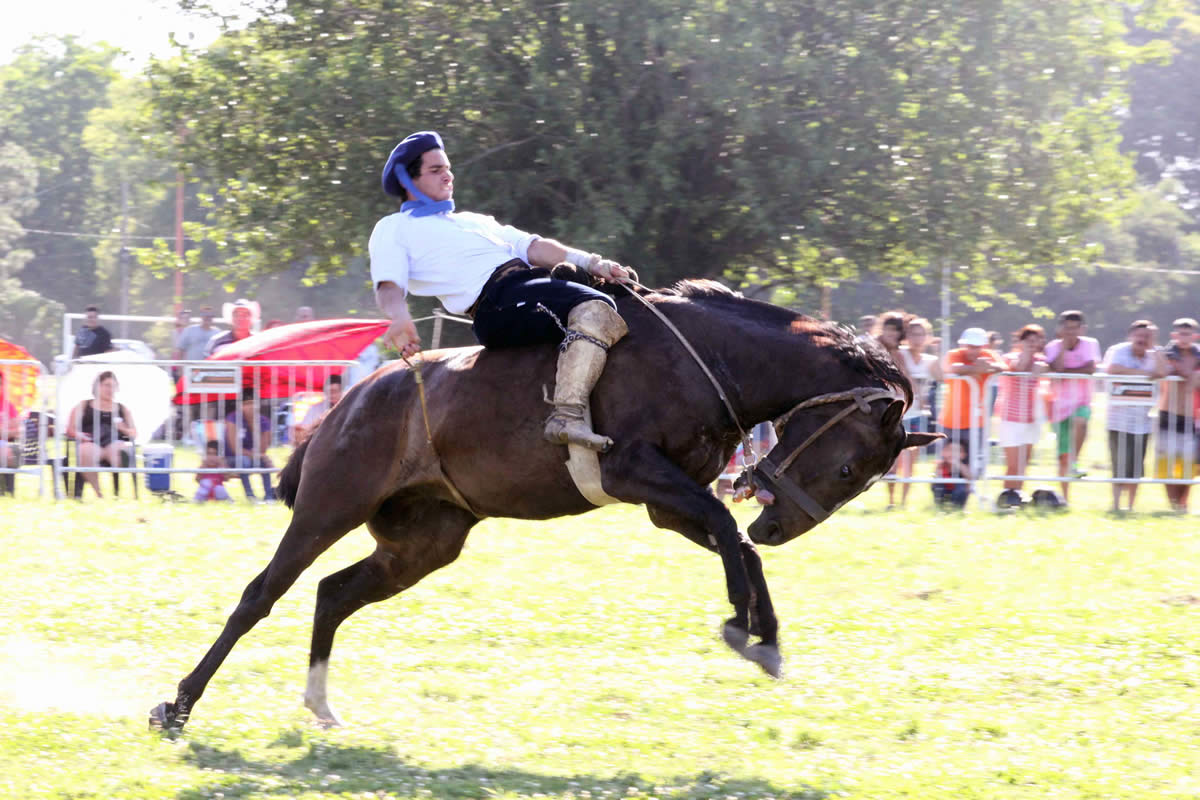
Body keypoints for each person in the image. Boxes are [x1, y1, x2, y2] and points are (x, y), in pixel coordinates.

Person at [369, 130, 632, 451]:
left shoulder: (474, 220)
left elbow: (533, 247)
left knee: (625, 297)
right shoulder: (393, 228)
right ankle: (567, 416)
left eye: (448, 168)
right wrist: (399, 317)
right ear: (407, 181)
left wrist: (594, 263)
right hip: (496, 304)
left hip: (531, 285)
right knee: (596, 309)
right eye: (436, 170)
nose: (448, 176)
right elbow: (388, 285)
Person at [1102, 320, 1166, 513]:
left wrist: (1154, 352)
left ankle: (1130, 506)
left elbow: (1162, 372)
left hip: (1142, 421)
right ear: (1131, 335)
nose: (1143, 339)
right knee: (1119, 463)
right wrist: (1145, 373)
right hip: (1117, 419)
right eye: (1139, 335)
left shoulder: (1156, 353)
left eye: (1148, 336)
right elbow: (1114, 369)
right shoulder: (1119, 350)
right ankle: (1115, 505)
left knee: (1137, 465)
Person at [1043, 309, 1100, 502]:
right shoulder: (1053, 346)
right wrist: (1063, 347)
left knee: (1080, 421)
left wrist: (1066, 372)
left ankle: (1074, 462)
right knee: (1062, 455)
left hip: (1082, 400)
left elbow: (1090, 368)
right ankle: (1064, 497)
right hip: (1059, 405)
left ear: (1082, 329)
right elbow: (1057, 369)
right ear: (1061, 329)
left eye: (1075, 328)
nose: (1071, 332)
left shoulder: (1090, 344)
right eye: (1067, 328)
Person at [891, 316, 942, 509]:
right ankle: (891, 501)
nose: (917, 338)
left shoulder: (931, 360)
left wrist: (936, 352)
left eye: (922, 334)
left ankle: (903, 502)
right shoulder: (899, 354)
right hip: (897, 413)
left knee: (910, 462)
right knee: (893, 459)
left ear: (928, 337)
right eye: (913, 333)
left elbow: (942, 377)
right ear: (906, 336)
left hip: (917, 415)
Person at [994, 325, 1048, 506]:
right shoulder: (1010, 357)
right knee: (1013, 464)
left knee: (1024, 463)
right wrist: (1028, 356)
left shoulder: (1041, 360)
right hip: (1011, 418)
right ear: (1020, 341)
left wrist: (1041, 366)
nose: (1033, 344)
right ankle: (1007, 497)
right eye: (1028, 340)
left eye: (1036, 340)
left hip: (1031, 419)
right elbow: (1019, 367)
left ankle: (1017, 497)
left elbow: (1048, 368)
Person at [939, 327, 1003, 475]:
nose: (973, 350)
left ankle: (967, 492)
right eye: (970, 346)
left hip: (976, 422)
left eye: (977, 347)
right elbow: (952, 368)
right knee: (945, 463)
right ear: (963, 345)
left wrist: (989, 366)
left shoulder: (989, 355)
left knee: (973, 466)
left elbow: (1002, 367)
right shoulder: (953, 354)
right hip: (950, 421)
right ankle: (942, 493)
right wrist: (977, 368)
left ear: (984, 346)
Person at [65, 370, 137, 499]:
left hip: (114, 443)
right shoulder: (83, 405)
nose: (111, 389)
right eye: (107, 385)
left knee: (123, 450)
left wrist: (124, 429)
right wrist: (79, 435)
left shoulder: (122, 408)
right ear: (97, 386)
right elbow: (70, 429)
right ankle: (99, 494)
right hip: (91, 443)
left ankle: (120, 489)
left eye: (114, 386)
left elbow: (134, 433)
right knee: (84, 451)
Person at [1156, 318, 1200, 512]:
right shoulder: (1165, 354)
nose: (1184, 338)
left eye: (1188, 334)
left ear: (1195, 336)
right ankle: (1173, 505)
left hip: (1190, 417)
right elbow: (1157, 372)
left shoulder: (1198, 357)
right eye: (1180, 334)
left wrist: (1188, 374)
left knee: (1188, 465)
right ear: (1174, 335)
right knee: (1166, 463)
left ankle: (1182, 503)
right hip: (1168, 413)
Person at [225, 387, 276, 501]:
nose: (251, 407)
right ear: (240, 406)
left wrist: (253, 424)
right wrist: (256, 455)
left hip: (254, 457)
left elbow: (262, 449)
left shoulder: (263, 421)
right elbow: (234, 449)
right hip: (231, 459)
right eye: (247, 404)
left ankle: (268, 496)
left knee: (262, 461)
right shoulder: (232, 419)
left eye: (253, 403)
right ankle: (250, 495)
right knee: (244, 461)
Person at [293, 374, 343, 444]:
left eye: (334, 391)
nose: (332, 395)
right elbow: (304, 430)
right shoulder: (315, 408)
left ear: (342, 391)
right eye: (328, 392)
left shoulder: (348, 406)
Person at [0, 370, 23, 495]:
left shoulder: (9, 406)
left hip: (7, 445)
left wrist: (4, 432)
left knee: (7, 452)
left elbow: (17, 431)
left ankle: (8, 491)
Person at [932, 440, 972, 509]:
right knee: (937, 487)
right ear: (943, 452)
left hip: (958, 489)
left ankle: (958, 507)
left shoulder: (964, 465)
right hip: (944, 488)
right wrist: (938, 470)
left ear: (963, 455)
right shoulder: (942, 464)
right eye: (949, 450)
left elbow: (969, 477)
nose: (952, 453)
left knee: (961, 490)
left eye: (956, 451)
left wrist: (958, 464)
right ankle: (940, 505)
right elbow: (934, 478)